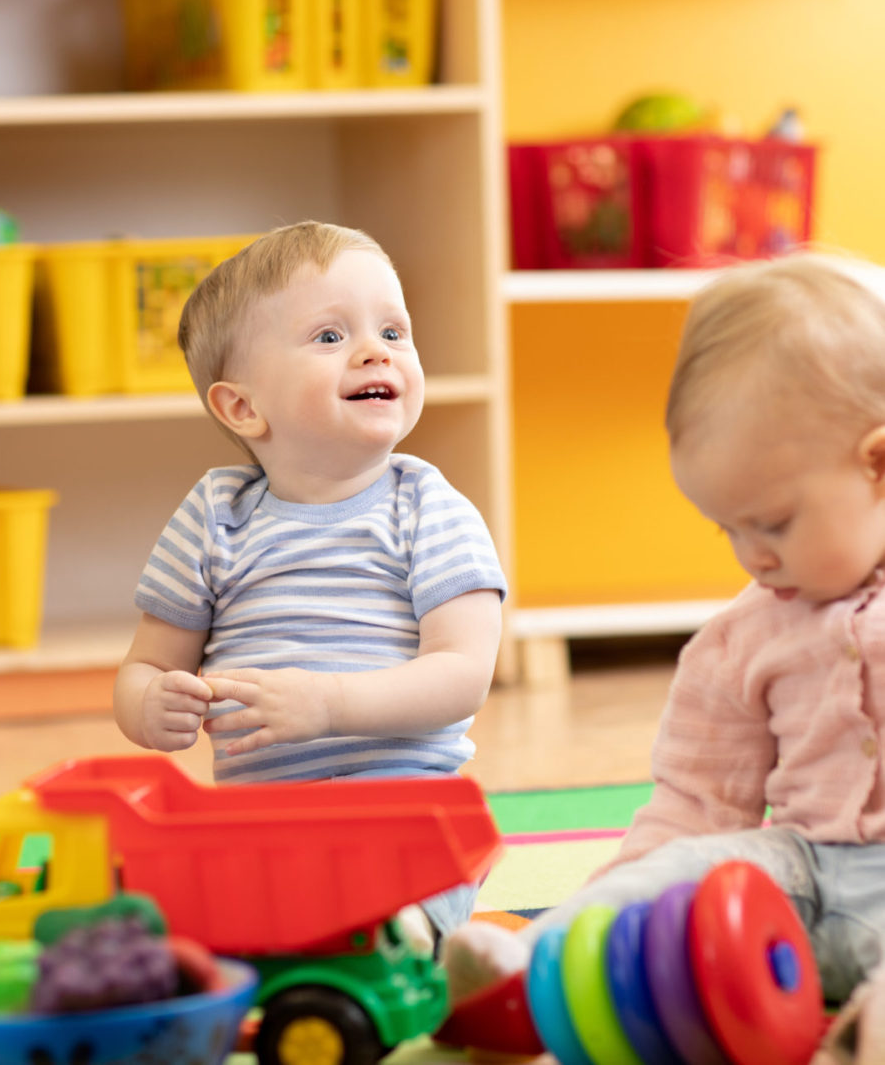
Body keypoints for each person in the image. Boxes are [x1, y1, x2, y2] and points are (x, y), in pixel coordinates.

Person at [441, 253, 885, 1062]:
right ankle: (525, 969)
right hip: (806, 874)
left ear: (878, 464)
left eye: (775, 523)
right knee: (680, 868)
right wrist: (624, 911)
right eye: (729, 529)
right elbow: (695, 800)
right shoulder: (737, 641)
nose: (753, 556)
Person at [113, 221, 507, 948]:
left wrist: (328, 704)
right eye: (330, 337)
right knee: (164, 890)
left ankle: (408, 936)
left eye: (394, 329)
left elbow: (463, 674)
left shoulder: (430, 506)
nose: (374, 350)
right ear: (242, 407)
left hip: (407, 810)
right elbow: (147, 664)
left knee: (429, 871)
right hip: (263, 820)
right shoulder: (214, 516)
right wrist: (149, 706)